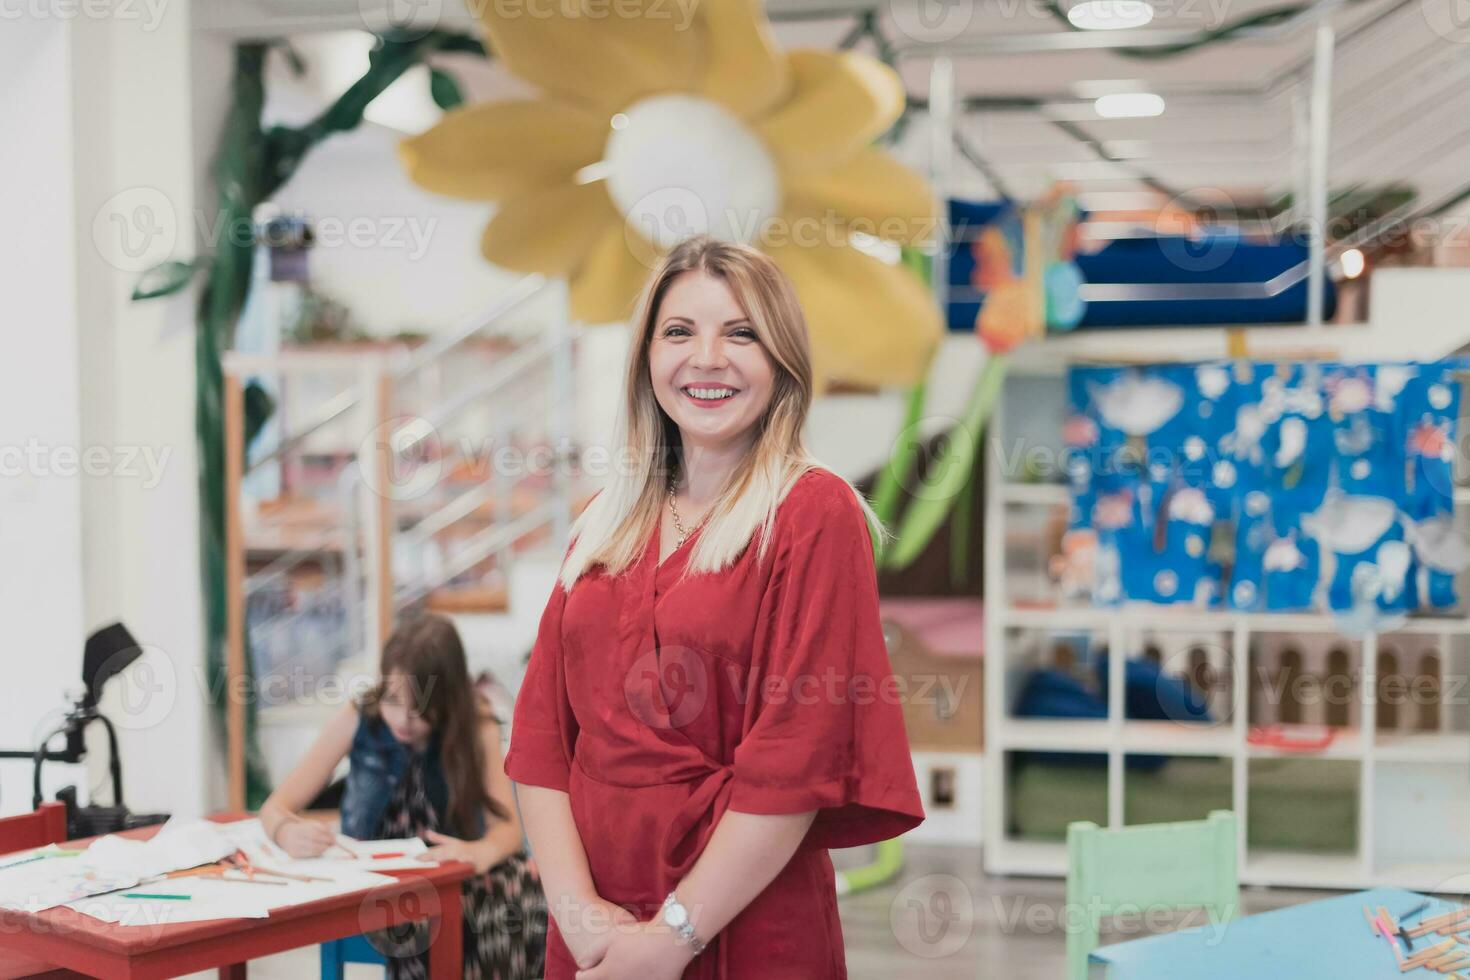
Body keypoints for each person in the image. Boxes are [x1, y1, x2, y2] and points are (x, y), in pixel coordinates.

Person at [504, 235, 925, 979]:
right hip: (595, 921)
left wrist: (670, 940)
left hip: (740, 917)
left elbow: (796, 761)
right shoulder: (604, 519)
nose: (707, 358)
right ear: (646, 359)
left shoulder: (812, 513)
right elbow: (542, 738)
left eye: (741, 333)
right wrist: (578, 916)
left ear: (782, 361)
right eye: (679, 332)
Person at [260, 614, 548, 980]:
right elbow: (275, 806)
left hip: (454, 880)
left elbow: (507, 830)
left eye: (421, 710)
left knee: (517, 900)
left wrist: (479, 852)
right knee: (421, 917)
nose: (403, 720)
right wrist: (286, 830)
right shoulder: (359, 715)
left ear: (450, 700)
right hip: (375, 886)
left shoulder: (476, 724)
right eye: (393, 700)